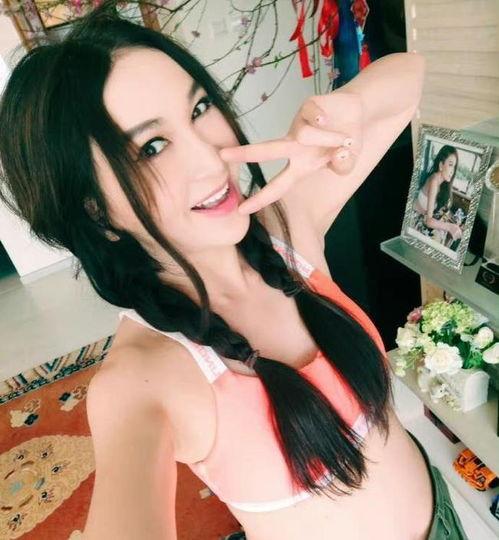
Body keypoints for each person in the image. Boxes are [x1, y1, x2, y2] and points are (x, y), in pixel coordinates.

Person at [0, 2, 468, 539]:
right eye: (152, 147)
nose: (212, 158)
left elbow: (410, 73)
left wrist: (347, 108)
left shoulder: (287, 230)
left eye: (199, 108)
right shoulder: (144, 376)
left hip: (444, 516)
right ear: (94, 211)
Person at [413, 145, 463, 246]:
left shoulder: (441, 183)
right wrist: (450, 227)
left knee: (447, 229)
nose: (452, 171)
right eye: (450, 165)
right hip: (414, 218)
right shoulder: (434, 180)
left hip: (424, 217)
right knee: (440, 234)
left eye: (454, 166)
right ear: (441, 165)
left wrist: (454, 224)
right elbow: (428, 221)